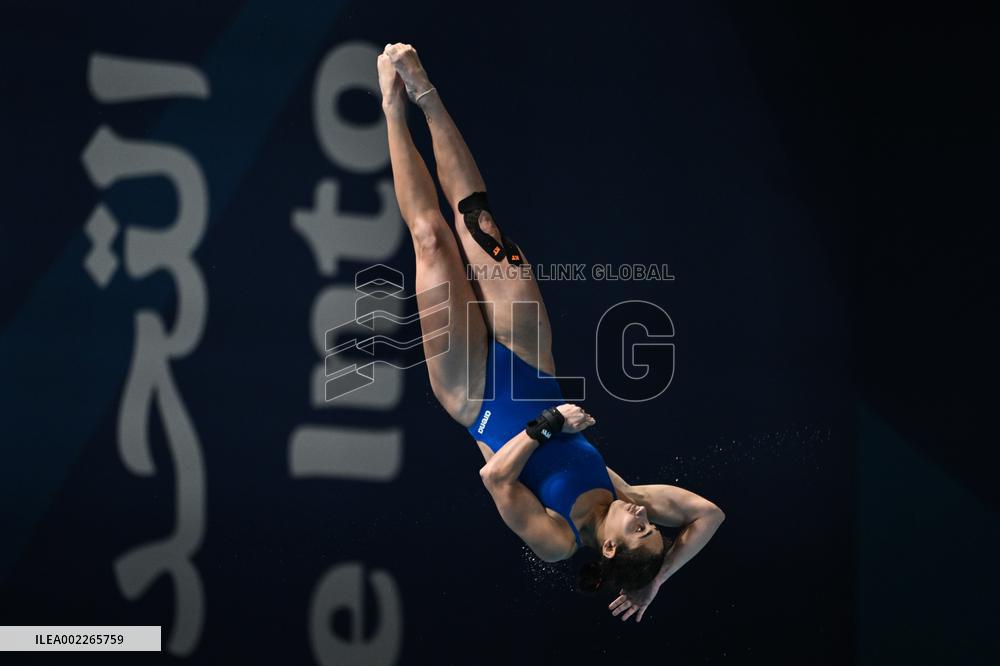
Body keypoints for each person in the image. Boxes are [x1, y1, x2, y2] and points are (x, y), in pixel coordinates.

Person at [377, 43, 725, 622]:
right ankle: (423, 91)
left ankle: (390, 104)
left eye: (642, 534)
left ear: (610, 547)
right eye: (652, 527)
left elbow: (494, 477)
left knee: (431, 240)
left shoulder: (557, 540)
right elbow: (709, 514)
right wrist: (656, 578)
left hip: (476, 398)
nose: (645, 518)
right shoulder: (629, 497)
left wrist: (548, 426)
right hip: (530, 360)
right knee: (480, 226)